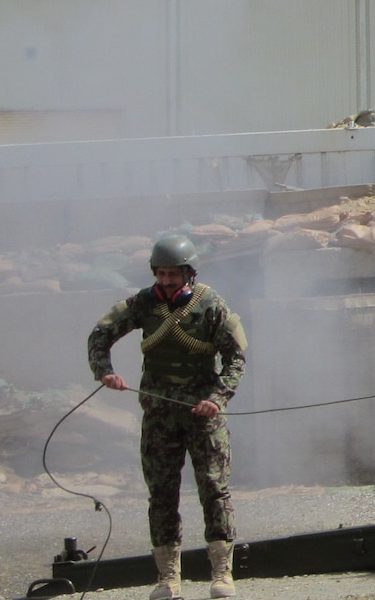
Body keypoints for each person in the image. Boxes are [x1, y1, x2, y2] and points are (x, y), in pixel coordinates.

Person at [89, 235, 248, 600]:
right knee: (161, 494)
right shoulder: (142, 304)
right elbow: (100, 335)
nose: (165, 281)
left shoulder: (212, 306)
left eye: (172, 274)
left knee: (214, 489)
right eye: (160, 274)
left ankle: (222, 573)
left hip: (202, 416)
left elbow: (236, 358)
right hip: (160, 416)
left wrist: (217, 398)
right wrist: (105, 373)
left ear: (188, 274)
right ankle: (167, 578)